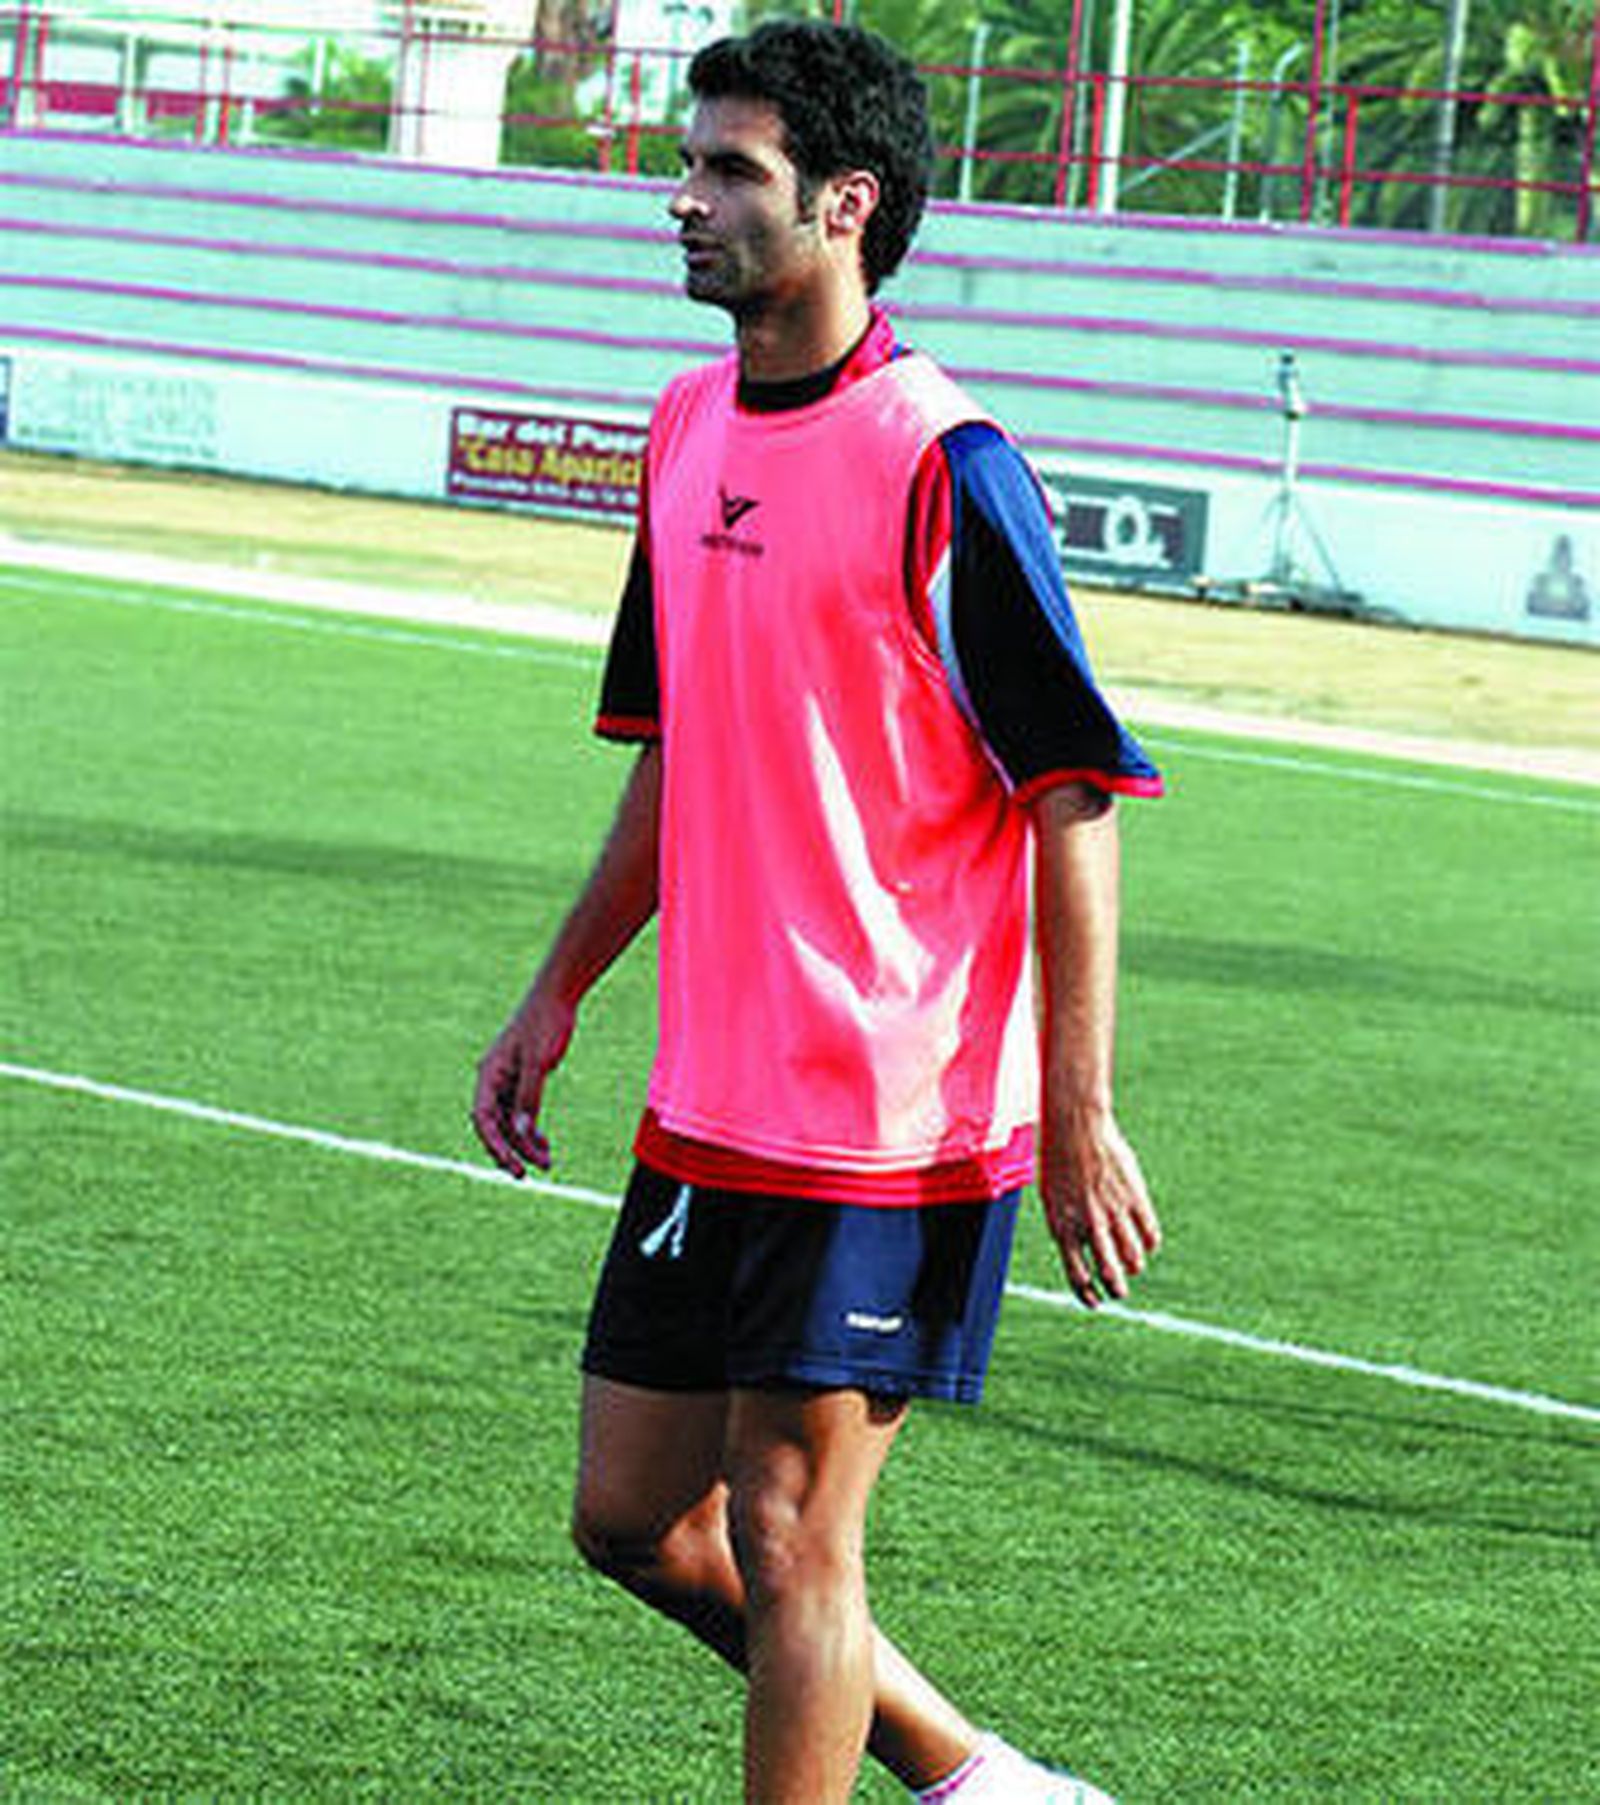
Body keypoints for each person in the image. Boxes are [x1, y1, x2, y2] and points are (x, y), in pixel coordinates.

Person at [472, 20, 1164, 1804]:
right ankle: (972, 1775)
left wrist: (1077, 1111)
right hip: (710, 1093)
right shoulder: (689, 422)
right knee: (631, 1514)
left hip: (884, 1111)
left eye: (729, 172)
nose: (680, 202)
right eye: (688, 163)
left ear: (846, 204)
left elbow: (1070, 794)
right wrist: (558, 991)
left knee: (792, 1527)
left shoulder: (946, 461)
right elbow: (677, 750)